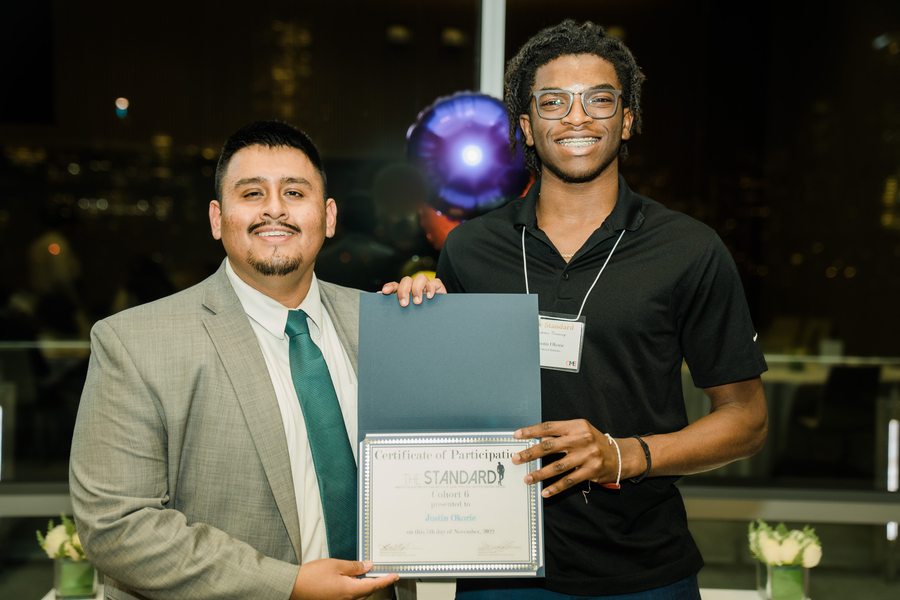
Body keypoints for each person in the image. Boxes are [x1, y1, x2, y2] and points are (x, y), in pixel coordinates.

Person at [390, 19, 768, 599]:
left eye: (599, 99)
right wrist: (414, 323)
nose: (577, 116)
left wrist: (623, 455)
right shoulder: (470, 249)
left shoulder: (689, 248)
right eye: (553, 102)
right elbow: (444, 411)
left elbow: (746, 419)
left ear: (627, 120)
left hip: (645, 570)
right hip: (500, 567)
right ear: (527, 126)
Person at [70, 121, 411, 600]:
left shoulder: (384, 324)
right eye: (252, 193)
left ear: (328, 217)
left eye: (294, 192)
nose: (274, 208)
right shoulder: (134, 343)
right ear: (217, 218)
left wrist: (433, 323)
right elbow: (117, 527)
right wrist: (287, 586)